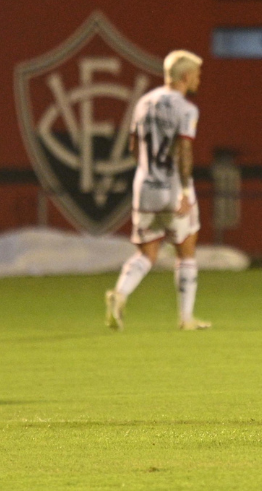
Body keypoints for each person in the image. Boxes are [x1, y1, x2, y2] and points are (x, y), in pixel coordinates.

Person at [105, 50, 210, 332]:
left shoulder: (143, 103)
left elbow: (133, 146)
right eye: (197, 74)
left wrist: (149, 174)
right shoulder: (186, 109)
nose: (199, 79)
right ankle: (186, 318)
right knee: (186, 250)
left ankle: (120, 293)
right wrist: (185, 191)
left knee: (146, 253)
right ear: (186, 77)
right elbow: (184, 151)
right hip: (174, 189)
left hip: (145, 188)